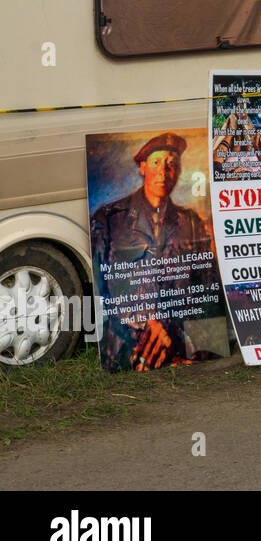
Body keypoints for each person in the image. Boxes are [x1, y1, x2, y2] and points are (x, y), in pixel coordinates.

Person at [90, 133, 225, 369]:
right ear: (142, 167)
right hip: (124, 352)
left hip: (180, 348)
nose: (164, 171)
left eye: (172, 163)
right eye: (156, 162)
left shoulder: (191, 222)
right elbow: (100, 293)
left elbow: (207, 293)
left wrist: (188, 343)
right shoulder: (109, 219)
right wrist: (142, 325)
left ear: (180, 171)